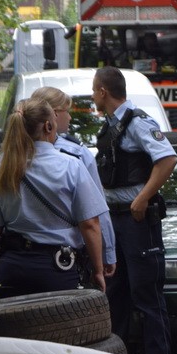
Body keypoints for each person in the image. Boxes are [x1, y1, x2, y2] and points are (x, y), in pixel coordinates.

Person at [93, 66, 177, 354]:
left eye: (94, 91)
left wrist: (143, 199)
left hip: (137, 222)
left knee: (147, 297)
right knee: (117, 297)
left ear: (104, 92)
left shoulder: (138, 122)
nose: (93, 97)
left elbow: (167, 159)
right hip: (116, 222)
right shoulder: (110, 126)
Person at [0, 98, 107, 299]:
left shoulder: (2, 170)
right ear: (48, 126)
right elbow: (90, 224)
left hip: (11, 269)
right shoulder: (71, 166)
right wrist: (98, 271)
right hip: (58, 270)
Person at [30, 86, 118, 282]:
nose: (69, 117)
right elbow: (94, 216)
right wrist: (107, 253)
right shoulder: (76, 155)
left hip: (18, 259)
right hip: (65, 258)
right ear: (51, 116)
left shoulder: (10, 157)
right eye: (66, 111)